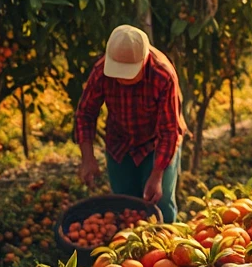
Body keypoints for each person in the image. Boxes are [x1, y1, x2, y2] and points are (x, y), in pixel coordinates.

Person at [75, 25, 187, 223]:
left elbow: (169, 132)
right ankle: (131, 252)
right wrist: (87, 157)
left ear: (144, 61)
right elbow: (85, 113)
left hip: (156, 144)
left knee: (159, 204)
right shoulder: (101, 71)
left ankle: (166, 250)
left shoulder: (163, 75)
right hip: (120, 143)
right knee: (124, 206)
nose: (121, 78)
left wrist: (157, 175)